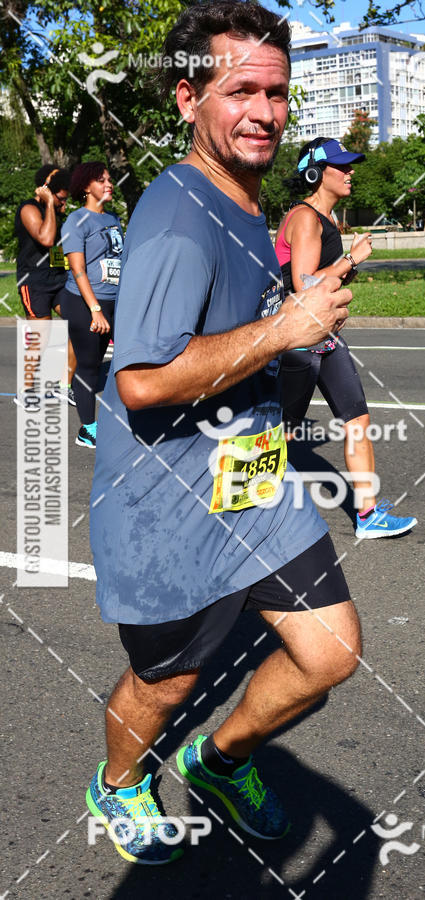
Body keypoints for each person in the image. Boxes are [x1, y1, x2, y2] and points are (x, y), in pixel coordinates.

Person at [86, 0, 360, 866]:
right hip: (171, 505)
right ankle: (118, 780)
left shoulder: (241, 198)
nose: (264, 112)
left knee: (329, 651)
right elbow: (142, 380)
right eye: (240, 90)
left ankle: (218, 760)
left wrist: (291, 316)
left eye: (276, 93)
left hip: (252, 480)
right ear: (188, 98)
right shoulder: (178, 215)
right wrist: (284, 330)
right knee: (166, 684)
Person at [274, 137, 417, 538]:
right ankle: (246, 505)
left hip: (326, 336)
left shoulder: (329, 219)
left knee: (357, 419)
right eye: (342, 166)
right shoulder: (305, 218)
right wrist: (351, 259)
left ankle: (368, 515)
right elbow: (304, 284)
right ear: (316, 173)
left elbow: (329, 281)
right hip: (298, 340)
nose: (351, 172)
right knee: (282, 431)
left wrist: (348, 265)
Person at [61, 162, 124, 448]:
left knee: (115, 361)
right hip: (83, 303)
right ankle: (87, 429)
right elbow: (78, 270)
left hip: (113, 301)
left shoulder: (113, 219)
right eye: (101, 180)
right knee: (88, 366)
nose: (109, 184)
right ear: (86, 187)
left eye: (109, 179)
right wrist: (95, 309)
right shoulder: (76, 221)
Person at [14, 165, 76, 404]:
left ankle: (64, 385)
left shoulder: (56, 212)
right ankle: (25, 390)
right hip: (34, 282)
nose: (63, 203)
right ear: (45, 188)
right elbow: (46, 239)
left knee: (80, 324)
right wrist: (50, 203)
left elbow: (57, 250)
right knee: (42, 336)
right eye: (61, 198)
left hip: (58, 280)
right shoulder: (29, 208)